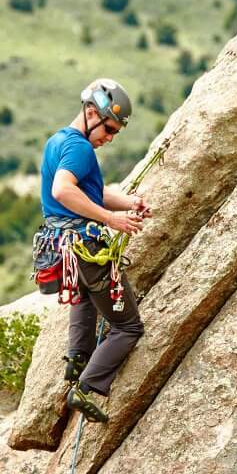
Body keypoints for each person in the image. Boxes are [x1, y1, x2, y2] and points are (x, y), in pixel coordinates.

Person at [39, 76, 151, 423]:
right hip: (85, 245)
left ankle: (76, 361)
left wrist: (126, 203)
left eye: (115, 132)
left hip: (63, 248)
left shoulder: (59, 141)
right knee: (128, 327)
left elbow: (86, 191)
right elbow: (62, 190)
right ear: (91, 112)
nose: (110, 138)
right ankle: (85, 389)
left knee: (85, 297)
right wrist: (110, 219)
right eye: (109, 128)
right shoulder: (81, 148)